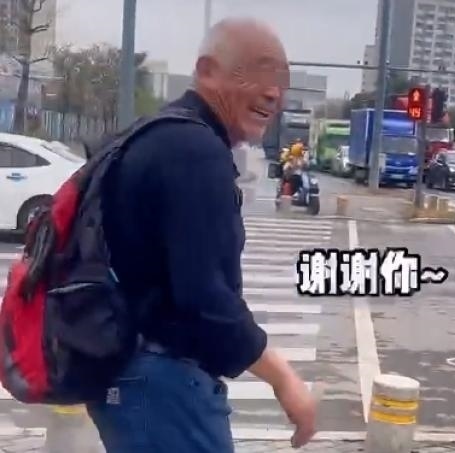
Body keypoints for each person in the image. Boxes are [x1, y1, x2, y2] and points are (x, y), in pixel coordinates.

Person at [87, 18, 317, 453]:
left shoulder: (157, 134)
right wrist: (283, 378)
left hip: (132, 375)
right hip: (163, 384)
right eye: (256, 72)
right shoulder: (193, 150)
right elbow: (204, 296)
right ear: (208, 71)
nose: (273, 93)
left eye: (280, 81)